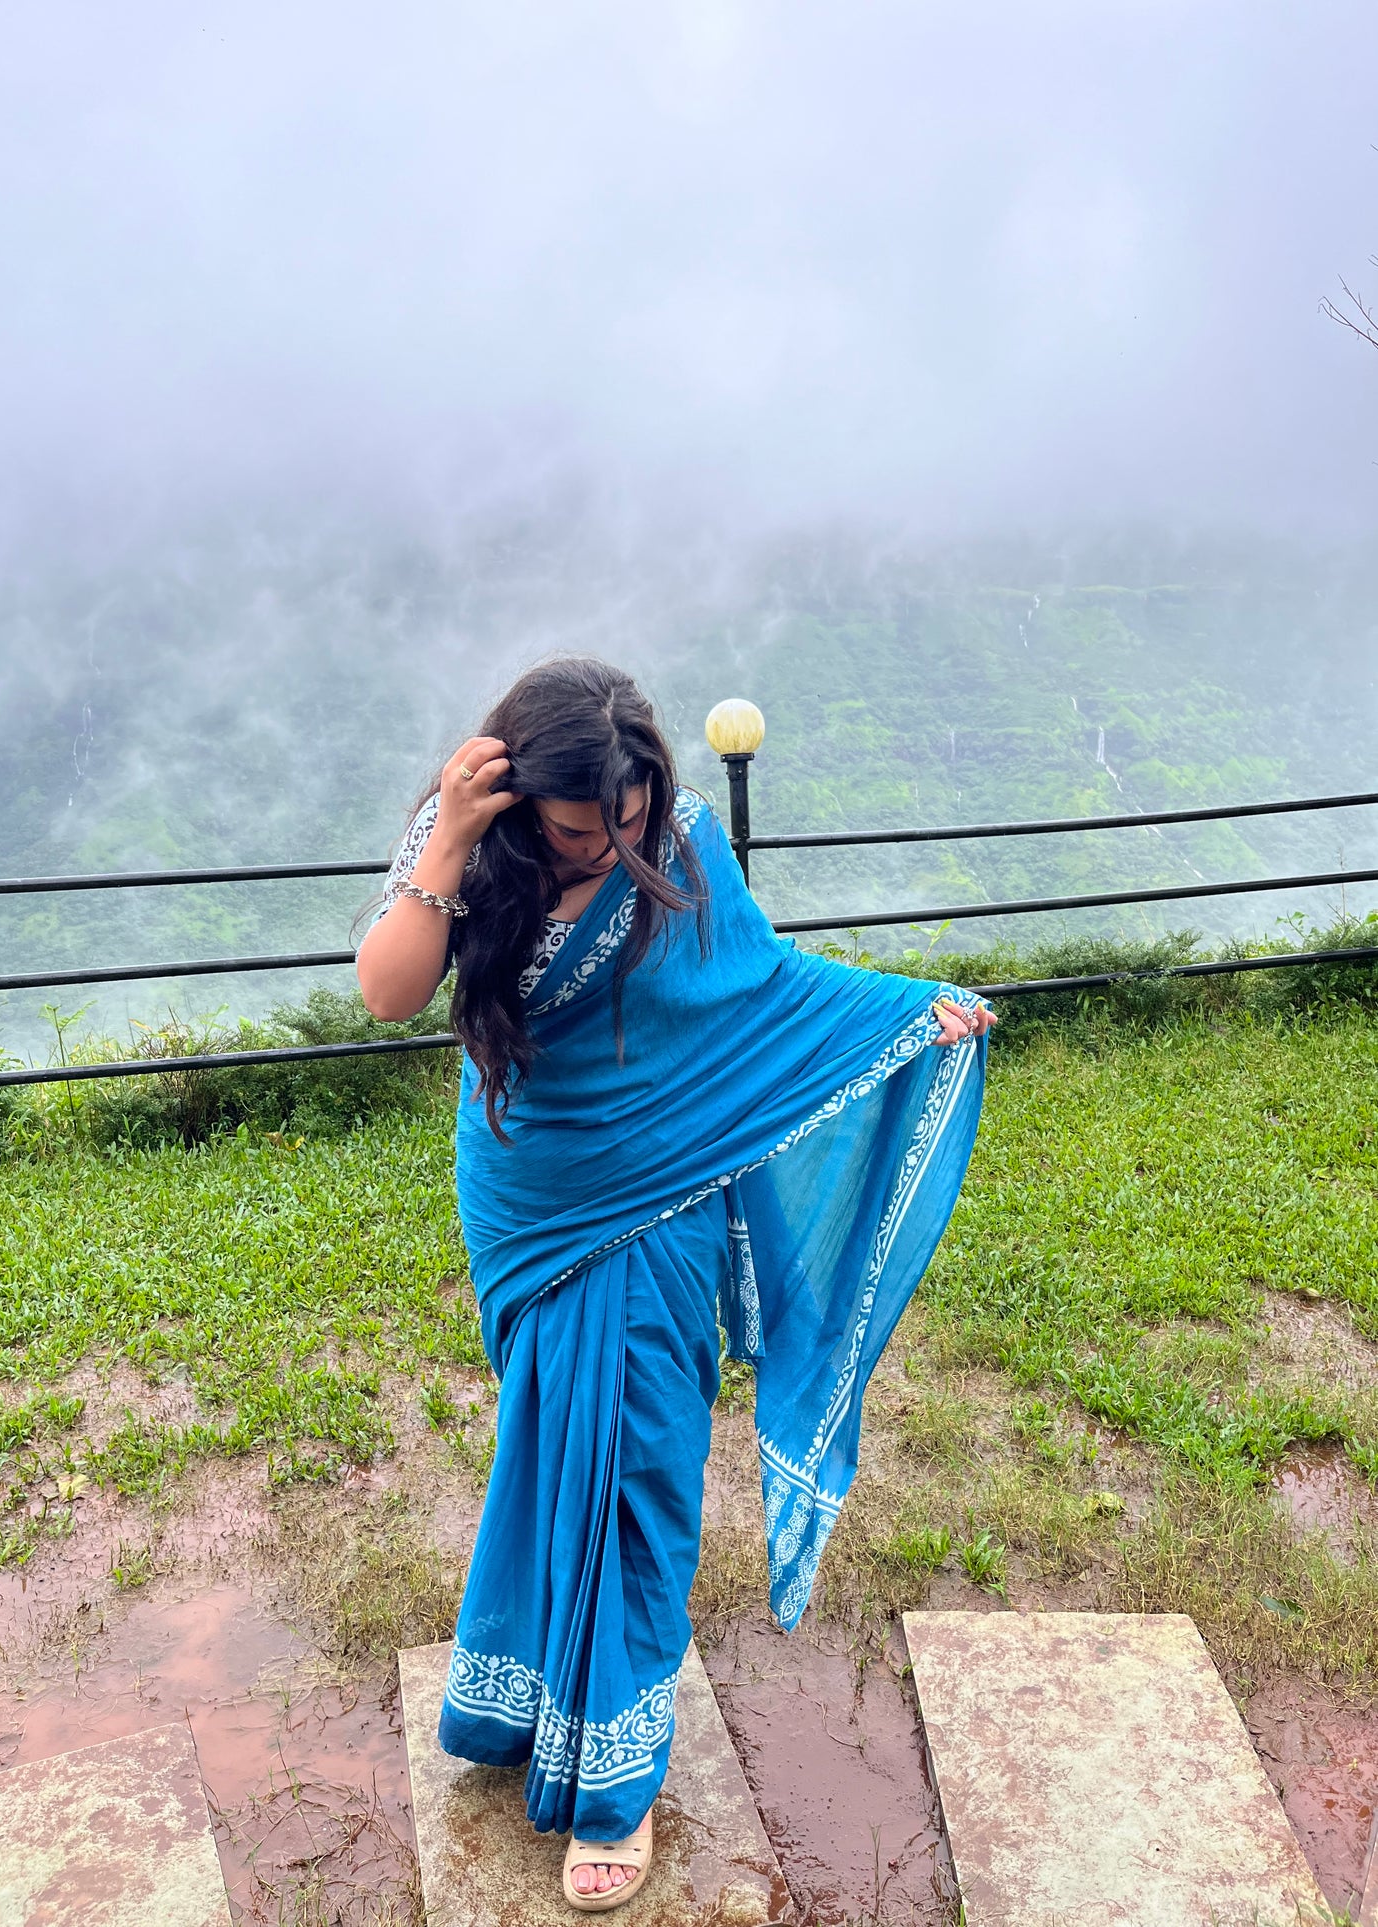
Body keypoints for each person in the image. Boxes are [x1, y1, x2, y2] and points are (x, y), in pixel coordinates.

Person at [357, 657, 993, 1912]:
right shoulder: (468, 844)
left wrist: (905, 1010)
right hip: (531, 1201)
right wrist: (449, 838)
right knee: (550, 1454)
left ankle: (617, 1780)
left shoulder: (687, 841)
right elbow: (387, 990)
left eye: (631, 816)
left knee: (638, 1471)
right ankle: (522, 1700)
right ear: (522, 794)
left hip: (666, 1194)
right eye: (584, 829)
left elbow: (755, 989)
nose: (613, 844)